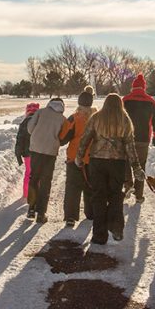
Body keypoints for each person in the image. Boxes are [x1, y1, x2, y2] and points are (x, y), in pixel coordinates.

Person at [77, 93, 146, 244]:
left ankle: (99, 235)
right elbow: (130, 147)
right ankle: (117, 228)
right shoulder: (125, 120)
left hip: (97, 162)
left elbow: (85, 139)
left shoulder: (96, 118)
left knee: (98, 197)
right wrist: (136, 167)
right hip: (117, 163)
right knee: (116, 196)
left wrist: (79, 157)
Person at [59, 86, 96, 227]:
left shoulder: (74, 118)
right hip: (91, 158)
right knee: (90, 187)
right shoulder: (96, 118)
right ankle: (91, 213)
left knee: (72, 188)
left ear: (79, 103)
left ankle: (70, 216)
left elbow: (63, 138)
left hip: (74, 158)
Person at [26, 97, 67, 223]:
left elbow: (30, 128)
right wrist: (55, 142)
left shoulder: (40, 112)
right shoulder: (62, 119)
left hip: (36, 148)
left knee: (34, 178)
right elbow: (63, 137)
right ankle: (41, 213)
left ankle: (31, 209)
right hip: (50, 152)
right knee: (46, 181)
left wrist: (37, 136)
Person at [122, 73, 155, 203]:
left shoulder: (125, 100)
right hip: (143, 139)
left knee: (126, 162)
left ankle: (128, 185)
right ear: (144, 87)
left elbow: (120, 118)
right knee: (140, 165)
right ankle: (139, 195)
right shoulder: (150, 101)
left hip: (127, 137)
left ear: (133, 87)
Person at [14, 102, 40, 203]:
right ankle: (37, 193)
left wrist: (18, 153)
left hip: (27, 153)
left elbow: (20, 139)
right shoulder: (40, 122)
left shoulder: (24, 122)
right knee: (38, 173)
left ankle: (26, 193)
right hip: (38, 152)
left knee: (28, 172)